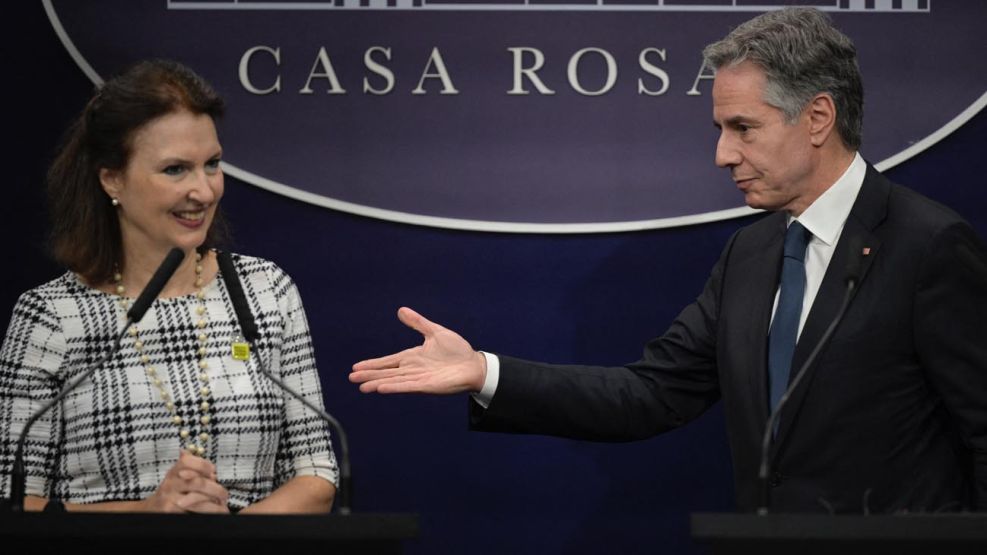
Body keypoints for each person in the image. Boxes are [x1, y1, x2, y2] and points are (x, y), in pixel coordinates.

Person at [350, 8, 987, 513]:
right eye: (719, 130)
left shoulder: (927, 245)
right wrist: (485, 372)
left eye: (743, 128)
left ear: (818, 117)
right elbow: (650, 394)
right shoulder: (753, 252)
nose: (722, 155)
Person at [0, 59, 338, 513]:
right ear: (111, 178)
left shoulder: (266, 292)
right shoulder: (50, 317)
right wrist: (149, 515)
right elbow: (15, 503)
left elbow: (316, 474)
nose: (203, 190)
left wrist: (223, 544)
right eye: (175, 169)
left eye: (212, 164)